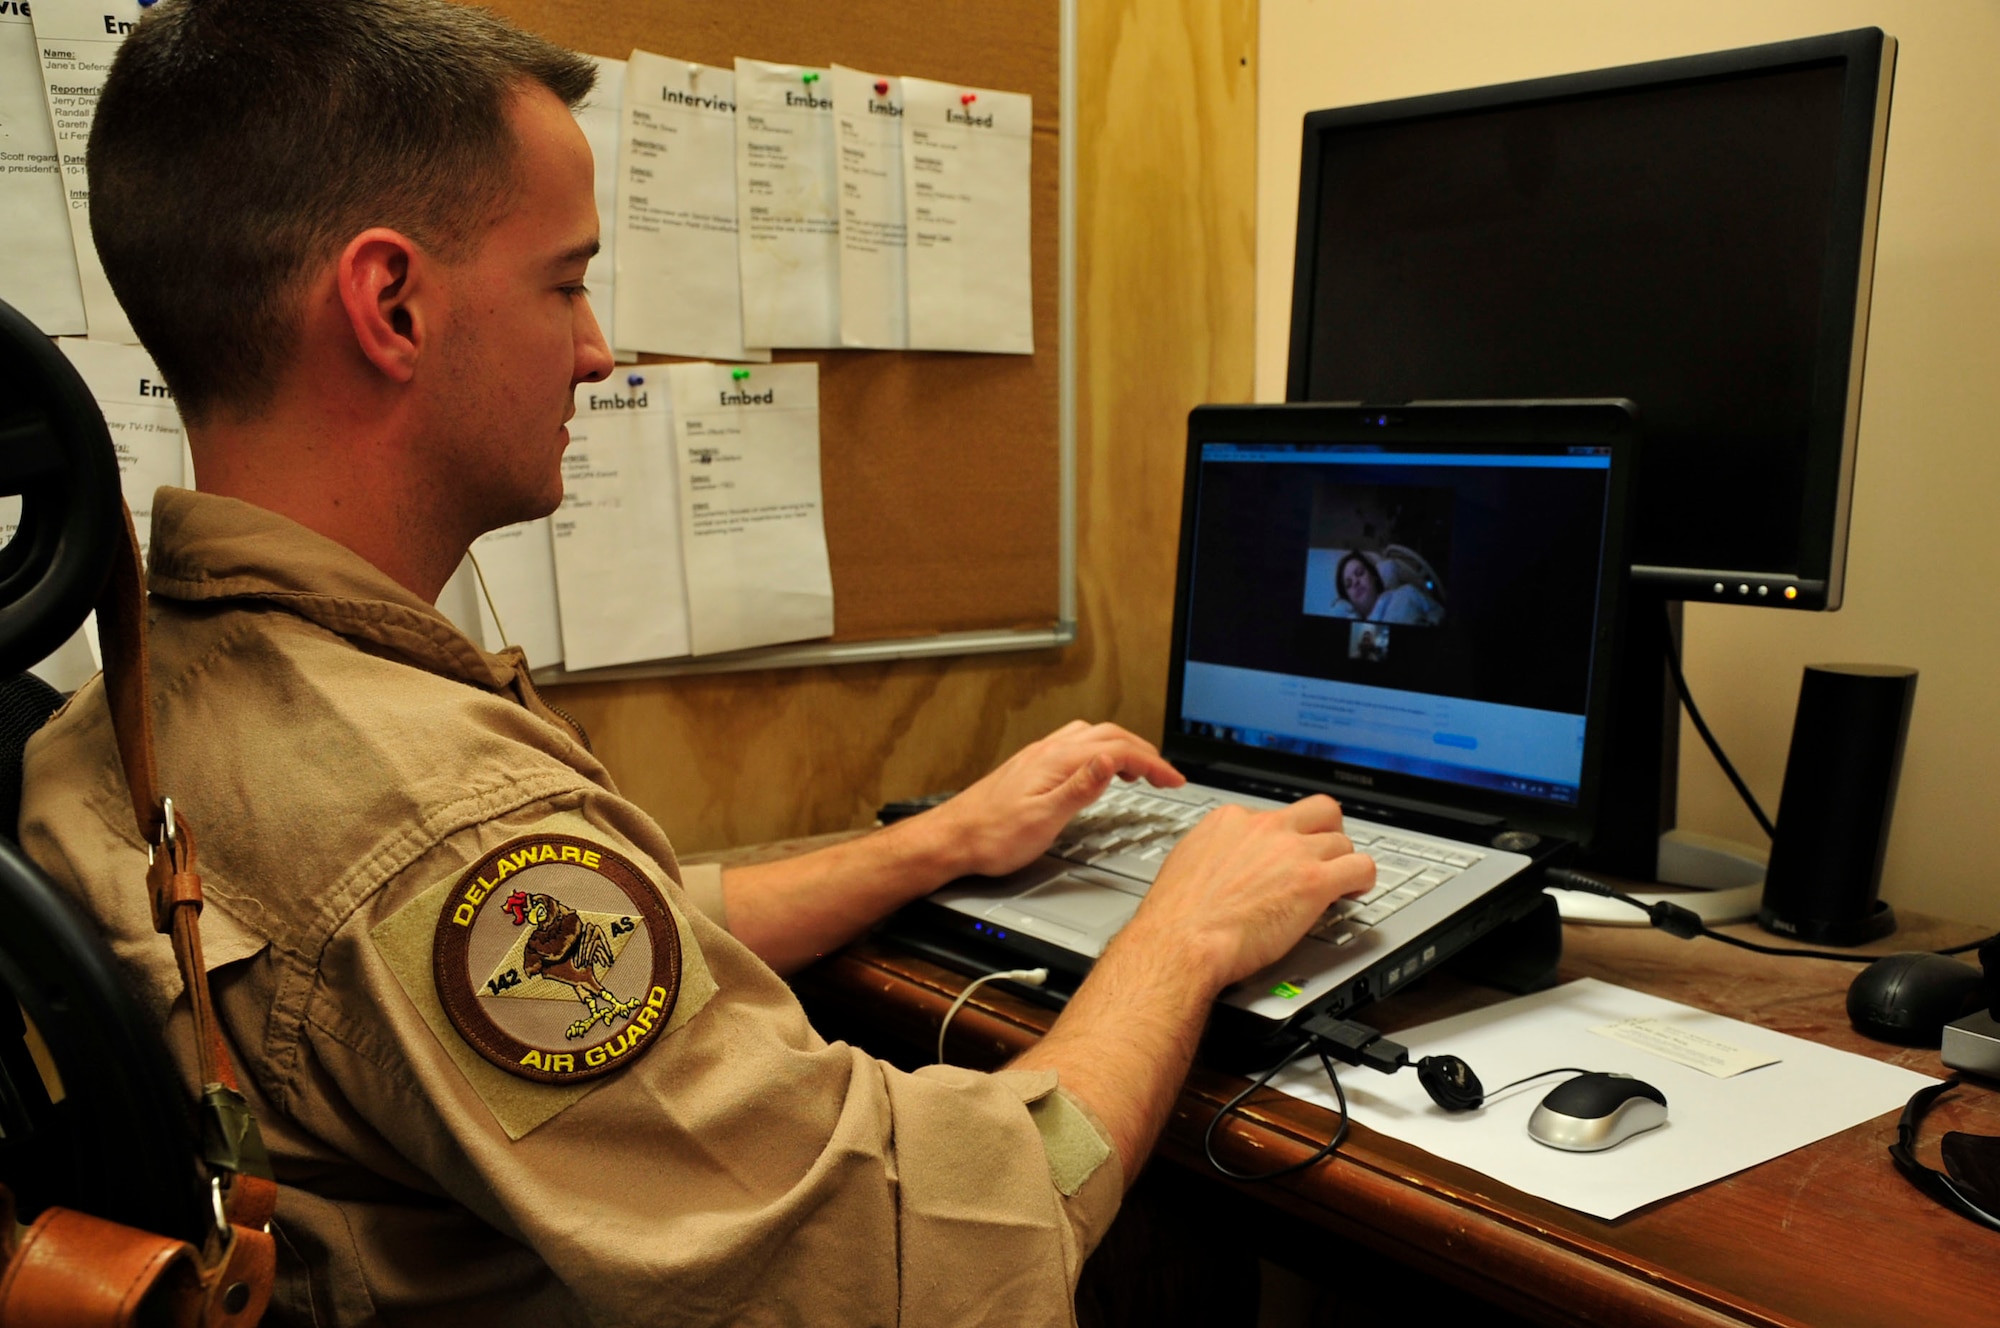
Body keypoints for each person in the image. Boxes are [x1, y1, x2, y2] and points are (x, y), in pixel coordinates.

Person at [18, 1, 1375, 1323]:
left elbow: (558, 965)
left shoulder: (138, 694)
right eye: (566, 281)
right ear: (391, 304)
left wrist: (933, 847)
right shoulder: (438, 816)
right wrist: (1184, 931)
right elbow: (910, 1259)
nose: (599, 352)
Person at [1331, 550, 1443, 625]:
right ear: (1348, 599)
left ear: (1373, 575)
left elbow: (1439, 614)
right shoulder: (1360, 633)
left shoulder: (1407, 594)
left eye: (1359, 572)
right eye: (1348, 584)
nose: (1355, 582)